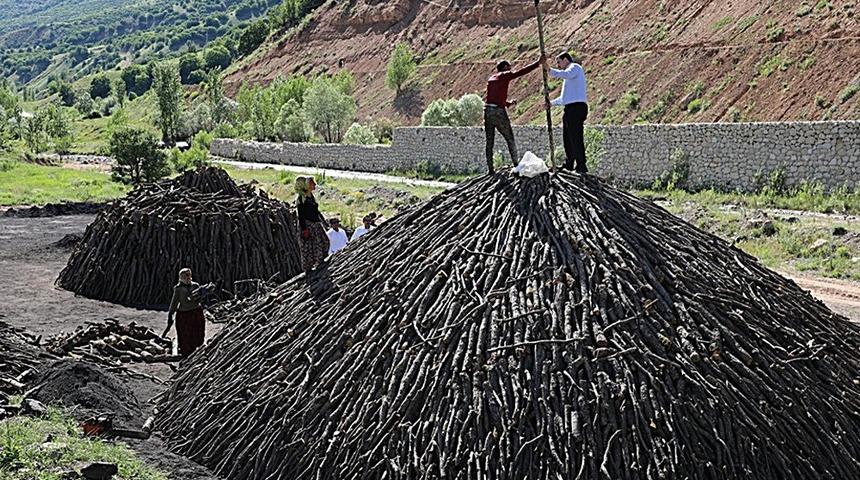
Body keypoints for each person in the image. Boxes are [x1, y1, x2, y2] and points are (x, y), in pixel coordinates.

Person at [483, 55, 544, 173]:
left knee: (489, 141)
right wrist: (537, 63)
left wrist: (507, 103)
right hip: (498, 112)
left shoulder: (492, 78)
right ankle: (516, 165)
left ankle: (490, 170)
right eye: (509, 67)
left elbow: (493, 98)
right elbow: (520, 72)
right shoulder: (504, 75)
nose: (510, 69)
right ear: (505, 67)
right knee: (510, 138)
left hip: (487, 111)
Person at [546, 51, 589, 173]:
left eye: (559, 62)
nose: (558, 65)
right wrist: (551, 103)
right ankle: (569, 162)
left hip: (577, 108)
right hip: (570, 108)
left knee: (575, 136)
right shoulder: (569, 78)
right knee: (567, 137)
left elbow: (565, 74)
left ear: (566, 59)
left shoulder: (574, 68)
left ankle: (581, 165)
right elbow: (564, 99)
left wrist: (549, 70)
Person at [165, 268, 205, 357]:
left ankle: (196, 350)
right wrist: (170, 314)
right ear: (181, 277)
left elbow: (200, 299)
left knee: (197, 331)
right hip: (184, 315)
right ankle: (186, 353)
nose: (188, 277)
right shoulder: (178, 289)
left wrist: (202, 294)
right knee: (185, 334)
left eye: (189, 275)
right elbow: (174, 302)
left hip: (196, 312)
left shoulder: (195, 286)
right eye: (185, 275)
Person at [295, 176, 330, 272]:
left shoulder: (311, 197)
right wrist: (305, 230)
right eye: (311, 182)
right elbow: (301, 216)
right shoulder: (301, 199)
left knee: (324, 242)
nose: (314, 184)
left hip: (315, 224)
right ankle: (311, 268)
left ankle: (320, 262)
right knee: (309, 247)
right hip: (308, 225)